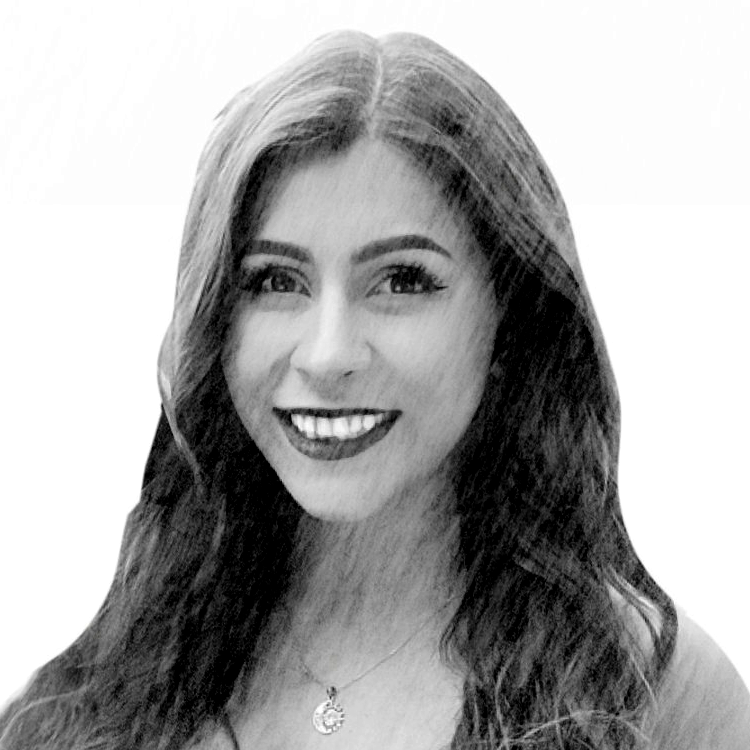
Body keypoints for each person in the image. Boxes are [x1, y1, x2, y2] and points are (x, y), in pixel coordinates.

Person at [1, 30, 748, 750]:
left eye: (402, 281)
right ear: (215, 327)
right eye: (274, 281)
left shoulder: (656, 696)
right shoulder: (82, 706)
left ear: (510, 324)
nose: (328, 355)